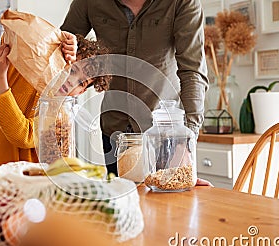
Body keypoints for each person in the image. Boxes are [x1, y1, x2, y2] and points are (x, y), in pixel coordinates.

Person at [61, 0, 209, 177]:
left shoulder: (182, 3)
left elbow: (193, 71)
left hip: (164, 133)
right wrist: (69, 49)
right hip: (113, 129)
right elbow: (59, 51)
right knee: (121, 201)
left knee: (170, 202)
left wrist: (185, 139)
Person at [0, 33, 111, 176]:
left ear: (81, 92)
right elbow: (12, 36)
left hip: (28, 186)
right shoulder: (26, 73)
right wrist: (58, 37)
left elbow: (23, 136)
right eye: (72, 70)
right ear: (60, 60)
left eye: (81, 82)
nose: (71, 81)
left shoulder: (60, 114)